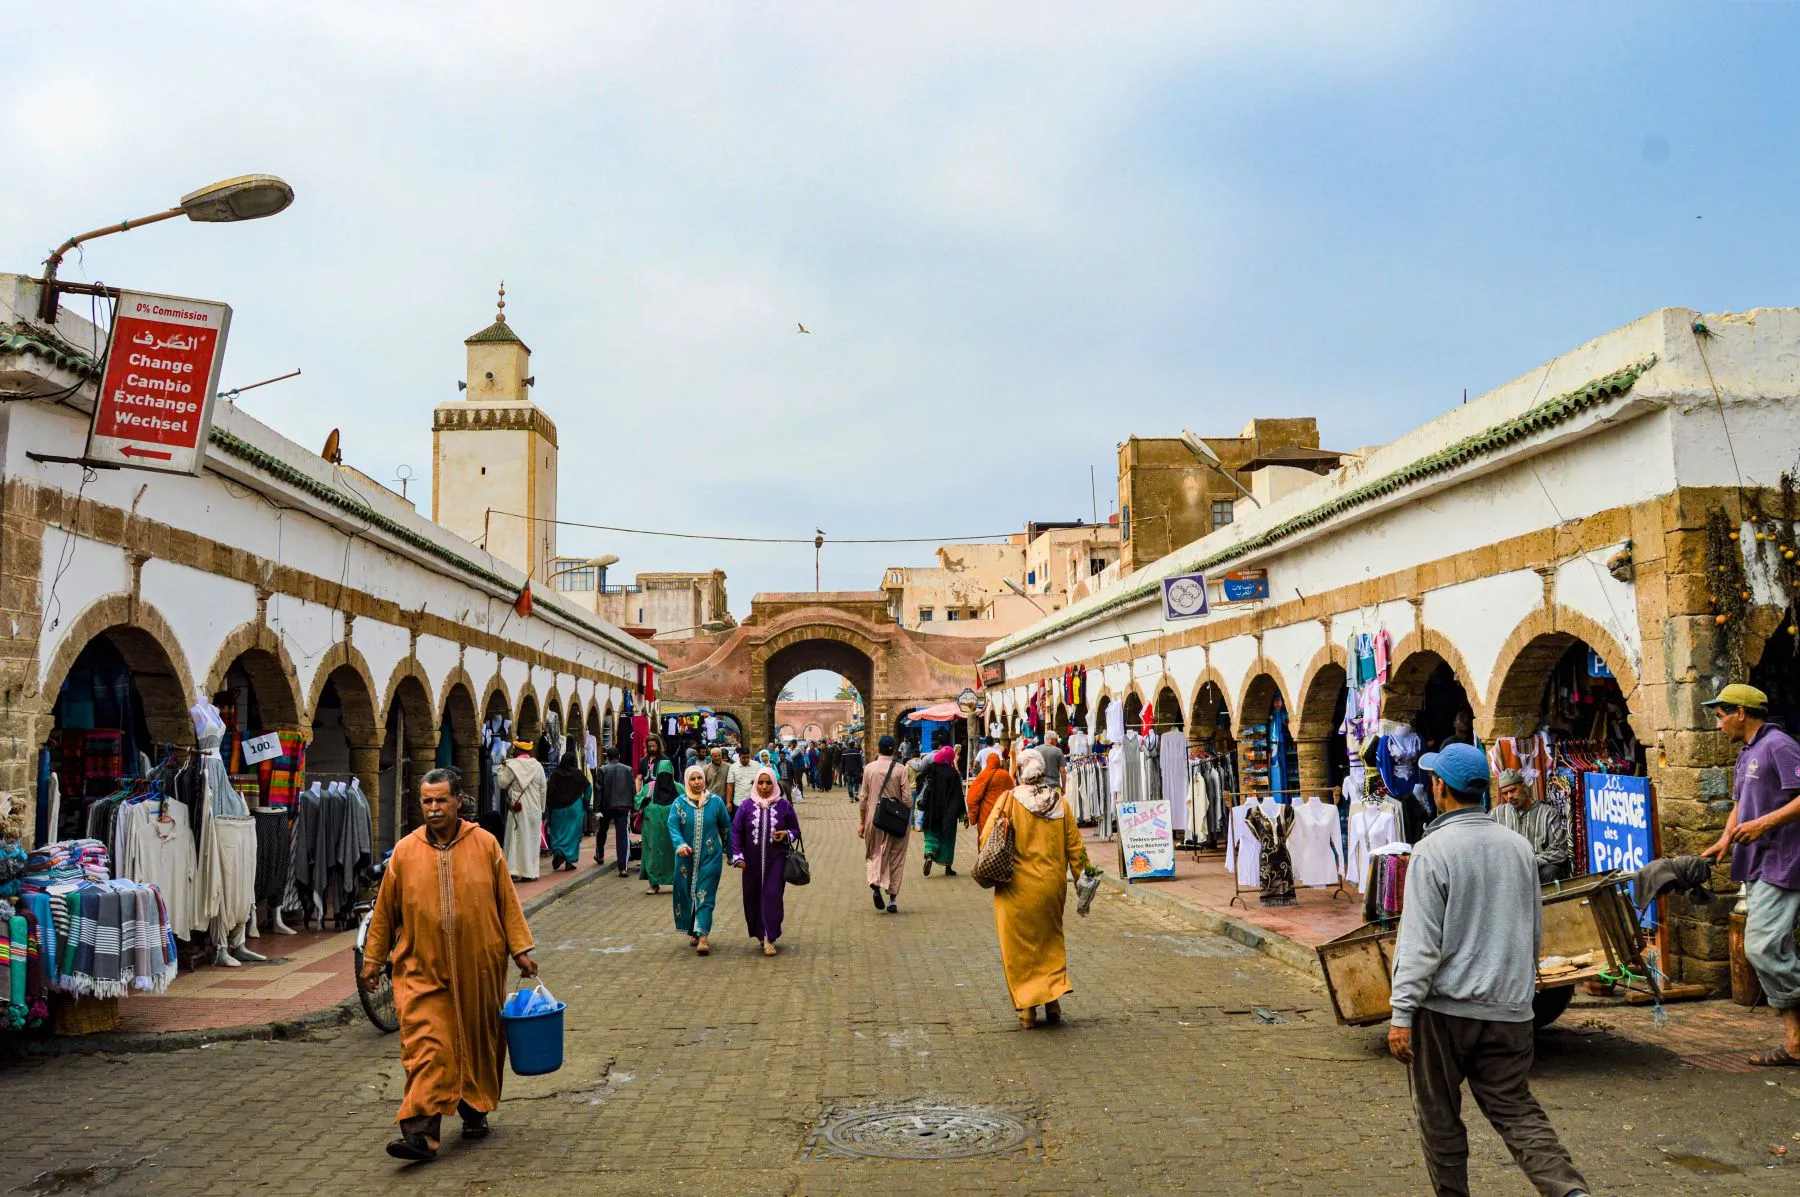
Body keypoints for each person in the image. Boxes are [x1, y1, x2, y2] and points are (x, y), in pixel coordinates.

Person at [1387, 742, 1589, 1197]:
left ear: (1441, 787)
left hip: (1444, 1014)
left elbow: (1419, 944)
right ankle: (1570, 1191)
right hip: (1509, 1010)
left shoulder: (1433, 850)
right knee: (1517, 1110)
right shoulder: (1518, 847)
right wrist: (1522, 992)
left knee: (1439, 1114)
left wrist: (1402, 1014)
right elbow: (1533, 927)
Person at [360, 769, 537, 1162]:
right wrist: (373, 959)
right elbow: (384, 913)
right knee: (427, 1047)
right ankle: (420, 1133)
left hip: (480, 968)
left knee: (478, 1043)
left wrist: (520, 950)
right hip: (421, 970)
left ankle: (474, 1110)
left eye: (441, 800)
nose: (434, 808)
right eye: (427, 801)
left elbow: (506, 902)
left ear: (459, 801)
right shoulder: (404, 852)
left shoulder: (486, 844)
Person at [1700, 683, 1800, 1067]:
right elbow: (1741, 804)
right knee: (1774, 950)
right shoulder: (1747, 753)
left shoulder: (1779, 746)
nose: (1718, 722)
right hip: (1758, 863)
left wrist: (1763, 825)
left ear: (1741, 713)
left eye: (1721, 714)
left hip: (1784, 860)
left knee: (1760, 948)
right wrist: (1726, 838)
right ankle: (1795, 1044)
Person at [987, 748, 1091, 1030]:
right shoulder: (1060, 804)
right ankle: (1053, 1001)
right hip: (1052, 888)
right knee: (1049, 941)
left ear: (1019, 771)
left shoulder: (1008, 801)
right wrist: (1086, 880)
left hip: (1016, 889)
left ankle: (1028, 1011)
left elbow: (988, 838)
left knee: (1019, 947)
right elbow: (1076, 848)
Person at [731, 764, 802, 955]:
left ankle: (769, 936)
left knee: (772, 896)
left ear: (774, 784)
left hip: (776, 859)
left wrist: (785, 834)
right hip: (751, 862)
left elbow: (796, 830)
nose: (764, 787)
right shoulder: (746, 806)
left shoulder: (784, 806)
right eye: (760, 783)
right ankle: (759, 932)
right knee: (752, 898)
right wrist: (737, 855)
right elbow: (736, 832)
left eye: (768, 783)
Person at [669, 763, 733, 955]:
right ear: (687, 781)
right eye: (693, 779)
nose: (697, 782)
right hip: (685, 859)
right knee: (687, 892)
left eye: (700, 778)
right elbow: (673, 825)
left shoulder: (716, 802)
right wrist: (679, 844)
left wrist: (732, 854)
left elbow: (726, 828)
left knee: (705, 894)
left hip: (710, 857)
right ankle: (694, 930)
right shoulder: (679, 803)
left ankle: (703, 936)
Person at [858, 735, 912, 913]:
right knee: (895, 858)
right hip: (896, 821)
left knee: (874, 853)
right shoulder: (901, 770)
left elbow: (863, 798)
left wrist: (861, 822)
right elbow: (907, 800)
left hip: (874, 819)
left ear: (878, 749)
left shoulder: (869, 769)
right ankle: (893, 900)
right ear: (894, 750)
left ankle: (875, 883)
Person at [1491, 768, 1572, 882]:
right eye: (1505, 793)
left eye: (1513, 790)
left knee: (1551, 871)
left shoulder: (1547, 813)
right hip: (1508, 870)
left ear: (1524, 786)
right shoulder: (1497, 814)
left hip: (1537, 869)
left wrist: (1532, 861)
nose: (1509, 796)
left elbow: (1560, 850)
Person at [497, 741, 546, 881]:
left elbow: (502, 783)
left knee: (516, 839)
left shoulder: (512, 766)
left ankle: (514, 870)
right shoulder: (538, 766)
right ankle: (530, 872)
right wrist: (541, 808)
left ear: (518, 749)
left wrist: (501, 769)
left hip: (518, 807)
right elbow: (543, 789)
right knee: (531, 838)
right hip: (534, 807)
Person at [918, 744, 966, 877]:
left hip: (932, 809)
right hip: (947, 812)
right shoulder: (953, 774)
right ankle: (948, 867)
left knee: (931, 833)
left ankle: (929, 854)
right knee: (948, 838)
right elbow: (957, 795)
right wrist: (962, 812)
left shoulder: (931, 768)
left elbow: (920, 781)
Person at [543, 735, 587, 873]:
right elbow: (589, 788)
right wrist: (585, 804)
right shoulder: (578, 774)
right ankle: (569, 860)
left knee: (557, 831)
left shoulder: (555, 774)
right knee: (573, 834)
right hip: (575, 807)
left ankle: (558, 852)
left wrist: (549, 805)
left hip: (558, 809)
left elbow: (548, 790)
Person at [637, 759, 679, 895]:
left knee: (674, 856)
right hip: (652, 832)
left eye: (667, 775)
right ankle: (654, 884)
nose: (664, 778)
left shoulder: (679, 788)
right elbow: (637, 800)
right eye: (662, 775)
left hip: (672, 834)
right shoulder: (649, 788)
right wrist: (643, 800)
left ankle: (677, 882)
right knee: (652, 856)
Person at [593, 748, 637, 877]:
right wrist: (634, 807)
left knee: (602, 830)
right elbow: (632, 789)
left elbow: (598, 791)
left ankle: (600, 854)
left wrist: (597, 809)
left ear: (607, 757)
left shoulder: (602, 770)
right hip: (623, 806)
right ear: (619, 756)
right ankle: (622, 867)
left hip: (607, 806)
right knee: (622, 835)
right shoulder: (628, 770)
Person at [965, 749, 1015, 839]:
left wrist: (972, 817)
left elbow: (972, 798)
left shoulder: (983, 775)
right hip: (1003, 815)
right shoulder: (1005, 775)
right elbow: (1013, 793)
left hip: (986, 815)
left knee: (985, 840)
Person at [726, 749, 760, 814]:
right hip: (738, 802)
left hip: (754, 800)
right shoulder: (733, 767)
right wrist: (728, 802)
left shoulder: (756, 765)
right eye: (743, 758)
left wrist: (757, 782)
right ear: (739, 756)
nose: (746, 759)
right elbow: (730, 785)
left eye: (748, 757)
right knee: (739, 822)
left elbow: (762, 780)